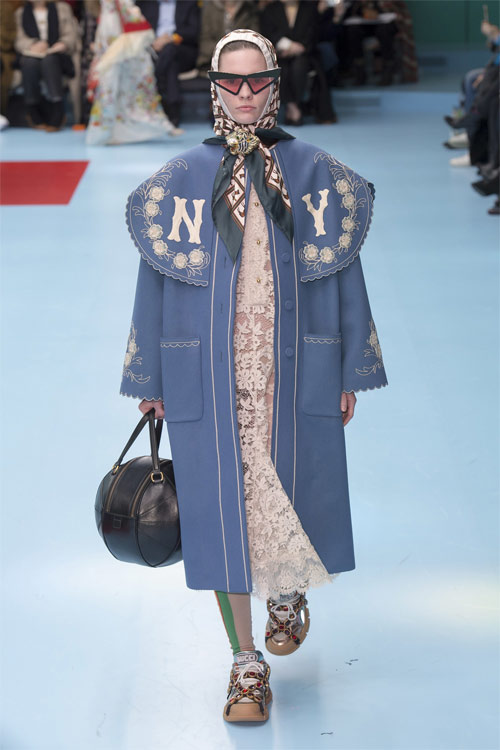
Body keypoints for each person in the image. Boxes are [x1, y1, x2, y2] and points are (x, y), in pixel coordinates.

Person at [120, 29, 388, 722]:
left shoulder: (316, 172)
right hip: (206, 372)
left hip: (291, 363)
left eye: (257, 80)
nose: (244, 95)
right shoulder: (179, 180)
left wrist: (348, 367)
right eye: (230, 82)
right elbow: (155, 283)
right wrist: (151, 376)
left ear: (275, 83)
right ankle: (245, 664)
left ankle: (287, 590)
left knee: (289, 485)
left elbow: (342, 274)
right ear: (213, 88)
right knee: (218, 512)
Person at [86, 0, 180, 146]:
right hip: (121, 31)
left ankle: (109, 130)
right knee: (122, 79)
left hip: (115, 27)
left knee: (118, 80)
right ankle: (108, 130)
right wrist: (143, 27)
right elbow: (124, 6)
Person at [14, 0, 78, 131]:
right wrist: (32, 45)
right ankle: (33, 111)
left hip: (57, 53)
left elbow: (71, 34)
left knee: (49, 61)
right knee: (30, 63)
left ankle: (58, 109)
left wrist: (63, 44)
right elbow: (18, 39)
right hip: (32, 53)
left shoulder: (62, 8)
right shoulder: (20, 13)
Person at [136, 0, 201, 127]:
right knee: (171, 63)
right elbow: (138, 31)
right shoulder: (145, 4)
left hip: (182, 50)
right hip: (153, 49)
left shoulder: (189, 3)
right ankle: (173, 108)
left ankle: (160, 92)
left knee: (170, 50)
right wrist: (152, 42)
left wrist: (171, 38)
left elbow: (193, 32)